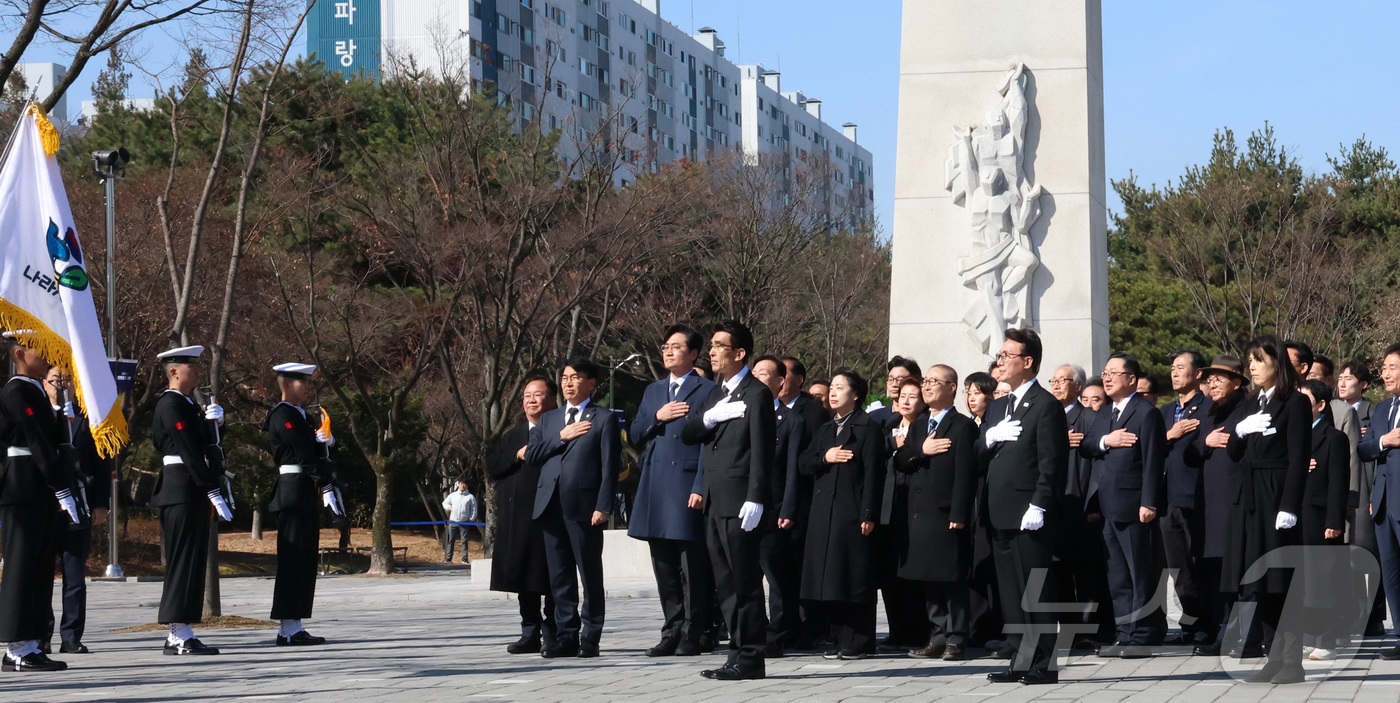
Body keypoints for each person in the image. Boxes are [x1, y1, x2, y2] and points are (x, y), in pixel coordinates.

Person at [681, 320, 774, 681]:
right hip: (715, 500)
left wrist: (757, 497)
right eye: (713, 345)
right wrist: (709, 417)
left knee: (744, 581)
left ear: (740, 353)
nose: (712, 351)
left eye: (720, 346)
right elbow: (689, 433)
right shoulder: (714, 394)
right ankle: (736, 652)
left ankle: (751, 656)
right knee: (725, 583)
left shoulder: (756, 393)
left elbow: (762, 450)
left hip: (741, 501)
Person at [977, 328, 1068, 685]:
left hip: (1029, 512)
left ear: (1027, 361)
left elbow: (1052, 463)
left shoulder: (1045, 405)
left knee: (1035, 589)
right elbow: (978, 455)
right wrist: (988, 437)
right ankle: (1020, 659)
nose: (999, 362)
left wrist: (1039, 504)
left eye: (1006, 355)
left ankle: (1044, 662)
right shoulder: (998, 406)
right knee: (1011, 592)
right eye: (999, 356)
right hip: (999, 509)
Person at [1224, 335, 1310, 684]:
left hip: (1276, 497)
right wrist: (1238, 431)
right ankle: (1273, 658)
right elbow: (1233, 453)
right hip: (1250, 499)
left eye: (1259, 359)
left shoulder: (1295, 402)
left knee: (1283, 581)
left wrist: (1289, 505)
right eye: (1250, 360)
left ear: (1278, 363)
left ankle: (1292, 662)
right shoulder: (1250, 403)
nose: (1253, 366)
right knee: (1261, 581)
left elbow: (1299, 457)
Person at [628, 325, 717, 657]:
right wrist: (657, 416)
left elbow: (711, 443)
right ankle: (671, 630)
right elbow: (635, 433)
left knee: (692, 565)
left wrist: (701, 485)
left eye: (676, 347)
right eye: (665, 346)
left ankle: (694, 632)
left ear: (693, 354)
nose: (667, 351)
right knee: (663, 564)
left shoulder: (708, 389)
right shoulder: (653, 390)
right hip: (656, 482)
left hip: (687, 483)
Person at [526, 356, 621, 659]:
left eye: (576, 377)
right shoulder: (550, 419)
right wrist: (561, 437)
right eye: (565, 377)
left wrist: (603, 505)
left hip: (585, 507)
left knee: (589, 575)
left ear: (591, 383)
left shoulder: (603, 418)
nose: (568, 383)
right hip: (550, 505)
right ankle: (566, 636)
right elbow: (532, 455)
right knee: (560, 577)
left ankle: (590, 637)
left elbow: (610, 467)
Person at [1081, 353, 1167, 658]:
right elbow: (1088, 445)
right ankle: (1125, 632)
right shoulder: (1105, 413)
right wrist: (1107, 440)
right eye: (1105, 373)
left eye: (1113, 373)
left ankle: (1144, 633)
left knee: (1140, 572)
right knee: (1117, 575)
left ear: (1131, 379)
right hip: (1107, 506)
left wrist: (1149, 502)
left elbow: (1154, 461)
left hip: (1134, 505)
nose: (1106, 378)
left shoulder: (1146, 413)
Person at [0, 331, 75, 672]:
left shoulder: (35, 390)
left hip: (37, 486)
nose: (46, 355)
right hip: (24, 486)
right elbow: (37, 440)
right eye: (38, 349)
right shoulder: (17, 390)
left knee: (40, 568)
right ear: (19, 354)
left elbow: (52, 440)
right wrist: (60, 486)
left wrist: (59, 414)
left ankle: (31, 642)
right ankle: (16, 648)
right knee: (22, 567)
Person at [799, 369, 884, 660]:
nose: (833, 393)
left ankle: (859, 641)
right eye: (832, 387)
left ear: (856, 394)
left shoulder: (868, 427)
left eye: (840, 387)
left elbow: (874, 474)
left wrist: (869, 513)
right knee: (830, 577)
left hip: (852, 511)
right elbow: (804, 462)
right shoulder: (826, 428)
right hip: (824, 512)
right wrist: (826, 457)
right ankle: (838, 638)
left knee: (853, 576)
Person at [150, 345, 229, 655]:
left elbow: (206, 446)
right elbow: (187, 450)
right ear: (174, 371)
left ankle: (182, 631)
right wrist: (212, 489)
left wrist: (217, 425)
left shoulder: (188, 403)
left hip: (191, 486)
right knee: (183, 560)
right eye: (191, 365)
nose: (197, 370)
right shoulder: (170, 404)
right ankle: (177, 633)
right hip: (180, 487)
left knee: (193, 560)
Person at [896, 365, 977, 661]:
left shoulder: (963, 426)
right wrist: (922, 450)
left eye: (934, 381)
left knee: (951, 578)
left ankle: (957, 638)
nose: (927, 386)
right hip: (919, 513)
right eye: (926, 381)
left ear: (952, 388)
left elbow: (966, 474)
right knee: (928, 577)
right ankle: (937, 636)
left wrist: (960, 512)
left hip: (946, 514)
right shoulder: (919, 425)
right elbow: (902, 460)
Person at [263, 362, 339, 646]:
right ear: (286, 384)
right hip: (293, 491)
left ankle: (294, 624)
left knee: (305, 561)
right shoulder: (282, 414)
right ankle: (287, 626)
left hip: (305, 490)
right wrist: (325, 484)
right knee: (293, 560)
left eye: (308, 382)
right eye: (302, 382)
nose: (307, 387)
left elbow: (315, 452)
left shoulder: (302, 415)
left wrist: (329, 441)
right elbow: (303, 454)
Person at [40, 367, 109, 656]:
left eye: (66, 380)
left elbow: (101, 463)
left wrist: (100, 503)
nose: (61, 385)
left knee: (74, 576)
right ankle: (41, 635)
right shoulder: (36, 416)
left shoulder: (84, 420)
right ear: (44, 383)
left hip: (78, 507)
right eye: (55, 380)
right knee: (41, 576)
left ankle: (71, 636)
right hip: (44, 507)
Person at [487, 375, 558, 654]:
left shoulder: (560, 430)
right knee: (525, 578)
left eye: (537, 395)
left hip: (551, 514)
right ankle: (530, 632)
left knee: (553, 577)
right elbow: (493, 467)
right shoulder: (513, 436)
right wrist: (516, 455)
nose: (531, 400)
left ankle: (554, 633)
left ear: (552, 399)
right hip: (518, 518)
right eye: (527, 396)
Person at [1049, 363, 1113, 647]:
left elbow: (1099, 466)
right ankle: (1068, 629)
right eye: (1053, 380)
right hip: (1055, 505)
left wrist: (1094, 504)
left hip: (1083, 506)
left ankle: (1088, 630)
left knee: (1086, 572)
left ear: (1077, 386)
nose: (1056, 385)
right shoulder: (1050, 417)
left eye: (1062, 380)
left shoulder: (1089, 418)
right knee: (1059, 570)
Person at [1159, 349, 1213, 646]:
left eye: (1181, 367)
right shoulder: (1165, 412)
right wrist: (1170, 434)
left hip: (1196, 496)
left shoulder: (1209, 408)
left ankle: (1209, 625)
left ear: (1198, 373)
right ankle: (1190, 624)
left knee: (1200, 565)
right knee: (1177, 567)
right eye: (1172, 367)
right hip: (1167, 499)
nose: (1174, 372)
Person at [751, 355, 804, 655]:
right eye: (754, 372)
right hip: (743, 507)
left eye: (763, 373)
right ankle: (753, 630)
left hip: (774, 508)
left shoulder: (790, 420)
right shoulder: (741, 414)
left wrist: (788, 508)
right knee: (747, 576)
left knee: (777, 577)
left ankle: (778, 635)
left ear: (780, 381)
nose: (756, 377)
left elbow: (793, 470)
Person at [1196, 355, 1249, 657]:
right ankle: (1223, 631)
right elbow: (1189, 451)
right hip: (1210, 503)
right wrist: (1205, 442)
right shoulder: (1209, 410)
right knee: (1217, 571)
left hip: (1236, 500)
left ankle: (1241, 635)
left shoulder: (1248, 409)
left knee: (1237, 571)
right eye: (1210, 378)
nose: (1212, 383)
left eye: (1219, 378)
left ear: (1237, 382)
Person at [875, 370, 931, 651]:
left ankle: (919, 631)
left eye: (913, 396)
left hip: (915, 505)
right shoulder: (889, 425)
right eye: (903, 396)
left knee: (913, 572)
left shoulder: (927, 426)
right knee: (889, 572)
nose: (906, 401)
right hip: (888, 504)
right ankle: (897, 630)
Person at [1297, 379, 1350, 661]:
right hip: (1297, 516)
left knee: (1324, 581)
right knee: (1304, 580)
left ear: (1320, 405)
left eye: (1304, 400)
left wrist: (1334, 521)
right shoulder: (1293, 435)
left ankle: (1327, 639)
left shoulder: (1333, 438)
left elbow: (1338, 484)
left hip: (1321, 517)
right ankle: (1308, 634)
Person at [1339, 360, 1386, 637]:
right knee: (1346, 558)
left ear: (1364, 385)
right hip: (1343, 489)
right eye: (1340, 378)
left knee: (1369, 555)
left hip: (1366, 490)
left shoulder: (1373, 413)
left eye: (1349, 378)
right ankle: (1354, 615)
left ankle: (1375, 617)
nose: (1342, 383)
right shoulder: (1333, 410)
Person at [1361, 343, 1400, 661]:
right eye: (1384, 368)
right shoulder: (1383, 409)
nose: (1385, 374)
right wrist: (1384, 440)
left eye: (1392, 368)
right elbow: (1363, 449)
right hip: (1383, 505)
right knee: (1391, 575)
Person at [442, 480, 478, 564]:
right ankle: (448, 558)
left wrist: (470, 519)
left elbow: (474, 510)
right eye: (461, 484)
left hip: (464, 522)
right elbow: (444, 503)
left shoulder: (470, 497)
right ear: (458, 485)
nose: (462, 486)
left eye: (464, 484)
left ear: (467, 486)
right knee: (450, 540)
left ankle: (464, 559)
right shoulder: (453, 495)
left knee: (464, 541)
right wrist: (449, 508)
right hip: (453, 521)